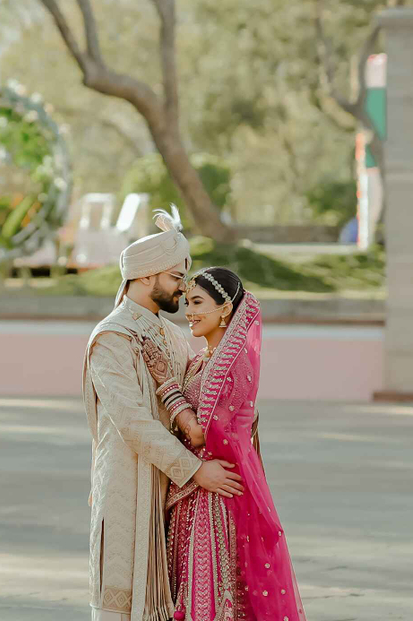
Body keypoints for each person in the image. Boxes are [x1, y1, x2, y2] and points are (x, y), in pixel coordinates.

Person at [85, 211, 243, 621]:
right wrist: (195, 470)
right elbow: (132, 422)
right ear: (145, 276)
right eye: (175, 277)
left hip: (175, 496)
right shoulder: (112, 338)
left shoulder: (173, 336)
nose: (183, 289)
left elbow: (198, 407)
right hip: (129, 487)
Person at [148, 266, 305, 621]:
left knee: (207, 592)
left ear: (225, 309)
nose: (189, 312)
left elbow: (201, 433)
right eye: (187, 303)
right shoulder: (204, 359)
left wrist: (167, 388)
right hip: (196, 486)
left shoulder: (231, 365)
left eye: (197, 302)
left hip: (214, 494)